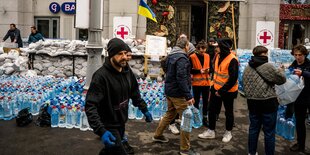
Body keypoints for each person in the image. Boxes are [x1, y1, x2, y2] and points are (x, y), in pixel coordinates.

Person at [85, 38, 153, 155]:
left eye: (125, 54)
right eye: (119, 54)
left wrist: (144, 109)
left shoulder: (127, 72)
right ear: (111, 55)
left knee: (110, 150)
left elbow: (134, 93)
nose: (124, 57)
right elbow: (90, 105)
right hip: (108, 125)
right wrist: (101, 130)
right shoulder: (101, 77)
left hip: (121, 122)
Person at [152, 37, 199, 155]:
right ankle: (185, 149)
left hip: (169, 91)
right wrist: (188, 96)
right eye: (189, 46)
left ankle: (158, 135)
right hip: (178, 93)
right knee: (186, 119)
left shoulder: (171, 55)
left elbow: (164, 64)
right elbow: (181, 78)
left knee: (170, 113)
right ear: (186, 46)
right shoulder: (182, 58)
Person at [242, 46, 286, 155]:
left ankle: (251, 152)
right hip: (268, 103)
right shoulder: (268, 66)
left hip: (252, 102)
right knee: (269, 132)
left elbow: (244, 84)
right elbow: (281, 80)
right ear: (265, 54)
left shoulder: (248, 67)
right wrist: (281, 71)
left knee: (253, 129)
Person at [198, 39, 238, 143]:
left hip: (228, 91)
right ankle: (211, 131)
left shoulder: (232, 60)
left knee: (228, 112)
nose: (216, 48)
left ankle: (228, 132)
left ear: (223, 47)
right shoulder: (218, 56)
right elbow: (216, 71)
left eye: (218, 46)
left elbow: (232, 79)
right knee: (211, 110)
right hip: (216, 88)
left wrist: (221, 91)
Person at [288, 45, 310, 153]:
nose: (297, 57)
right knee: (300, 122)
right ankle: (300, 145)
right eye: (295, 55)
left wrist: (303, 73)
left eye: (300, 55)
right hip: (299, 98)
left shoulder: (309, 64)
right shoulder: (294, 64)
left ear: (305, 54)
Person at [189, 40, 211, 126]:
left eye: (204, 48)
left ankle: (205, 119)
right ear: (197, 48)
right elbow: (189, 70)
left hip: (206, 83)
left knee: (206, 102)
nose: (202, 50)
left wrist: (209, 70)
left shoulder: (208, 56)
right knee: (196, 102)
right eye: (201, 48)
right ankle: (196, 119)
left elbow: (211, 68)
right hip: (196, 84)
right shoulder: (192, 57)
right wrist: (199, 71)